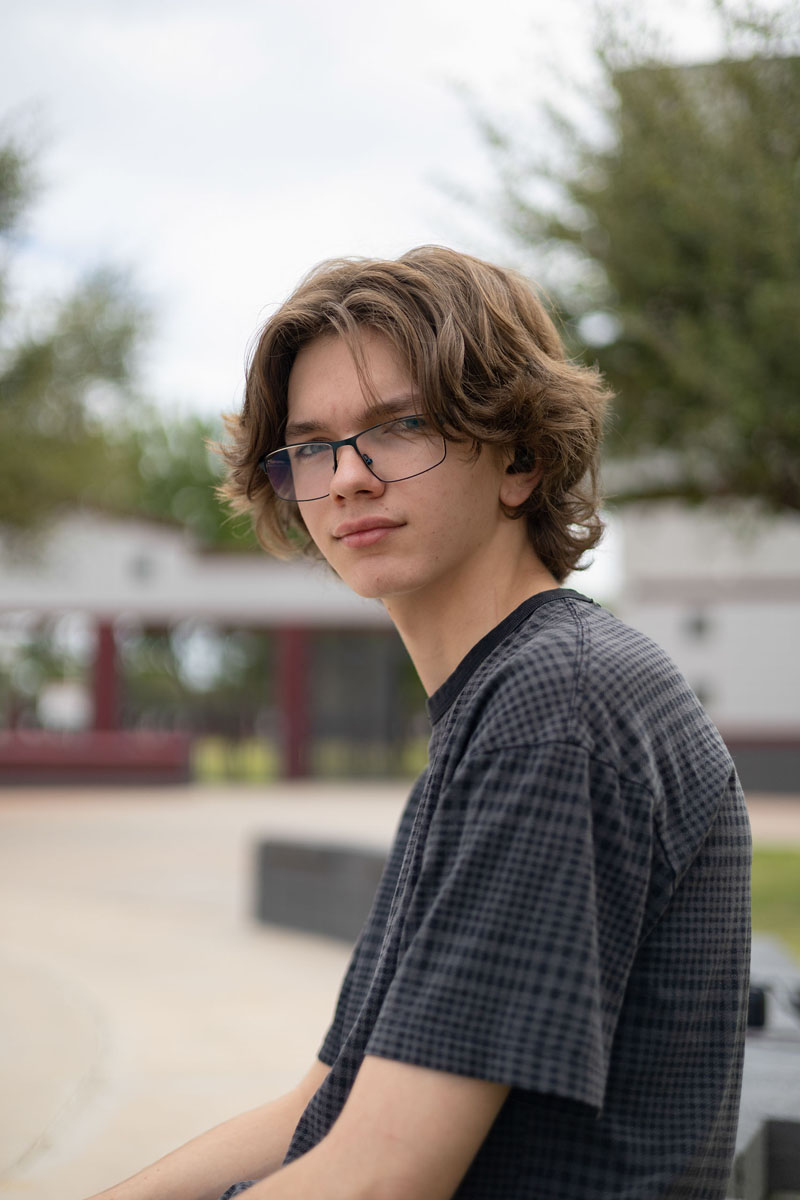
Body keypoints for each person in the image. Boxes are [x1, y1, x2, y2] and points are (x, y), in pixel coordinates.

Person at [87, 246, 751, 1200]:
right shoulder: (501, 704)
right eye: (311, 446)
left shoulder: (558, 707)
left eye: (398, 428)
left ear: (518, 457)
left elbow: (380, 1178)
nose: (347, 479)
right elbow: (319, 1109)